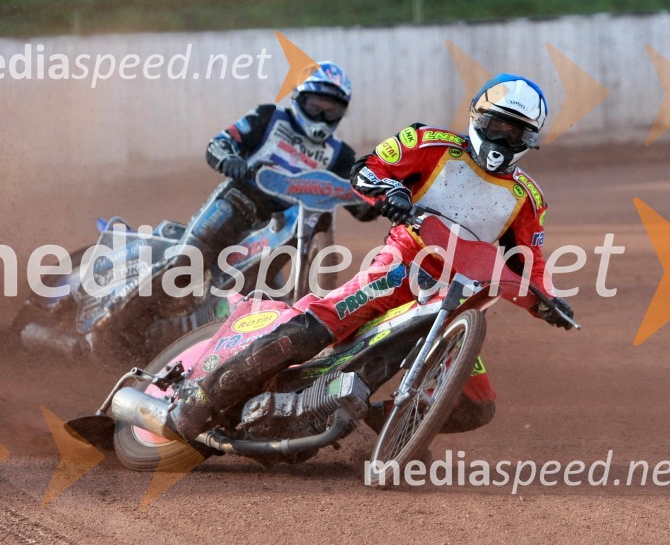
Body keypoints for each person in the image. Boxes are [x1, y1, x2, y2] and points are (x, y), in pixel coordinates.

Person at [174, 73, 575, 440]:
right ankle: (203, 397)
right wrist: (393, 194)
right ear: (475, 117)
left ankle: (383, 429)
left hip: (458, 297)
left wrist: (548, 303)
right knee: (322, 323)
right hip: (400, 268)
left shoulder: (528, 198)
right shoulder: (429, 143)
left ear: (530, 140)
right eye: (495, 126)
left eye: (515, 133)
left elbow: (529, 263)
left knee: (476, 406)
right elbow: (368, 169)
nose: (502, 140)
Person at [172, 60, 377, 300]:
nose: (322, 117)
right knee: (185, 265)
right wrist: (230, 159)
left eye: (330, 111)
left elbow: (361, 205)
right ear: (299, 99)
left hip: (286, 227)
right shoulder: (267, 117)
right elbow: (219, 143)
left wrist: (383, 198)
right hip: (240, 203)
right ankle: (133, 311)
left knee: (272, 307)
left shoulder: (340, 155)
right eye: (315, 107)